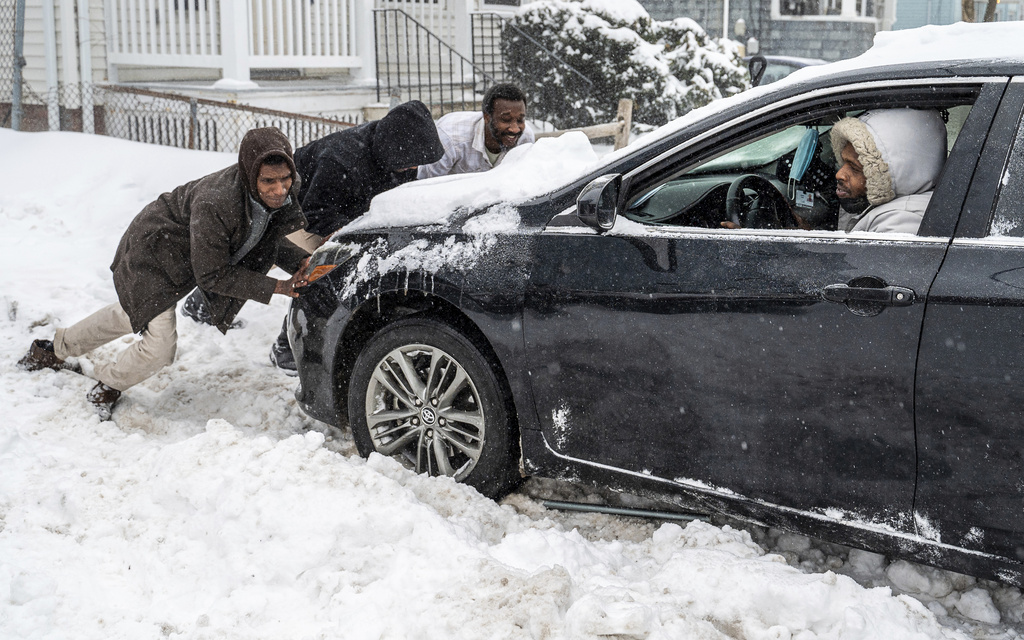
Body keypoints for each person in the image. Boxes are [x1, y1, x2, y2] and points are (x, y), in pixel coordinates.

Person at [18, 127, 311, 420]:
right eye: (268, 181)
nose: (280, 189)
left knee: (131, 312)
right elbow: (213, 275)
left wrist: (300, 260)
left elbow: (264, 234)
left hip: (184, 257)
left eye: (285, 179)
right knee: (160, 347)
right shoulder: (216, 202)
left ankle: (52, 350)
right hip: (154, 253)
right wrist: (278, 287)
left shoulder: (277, 188)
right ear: (249, 173)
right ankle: (106, 385)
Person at [265, 99, 445, 370]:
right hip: (294, 212)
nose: (412, 170)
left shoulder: (398, 154)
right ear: (391, 149)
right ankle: (285, 343)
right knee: (321, 269)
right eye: (408, 164)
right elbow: (315, 212)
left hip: (345, 210)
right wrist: (351, 235)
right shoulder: (341, 160)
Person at [830, 108, 947, 234]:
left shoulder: (898, 225)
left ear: (891, 174)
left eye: (854, 168)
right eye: (843, 162)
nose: (839, 174)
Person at [416, 83, 535, 179]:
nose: (515, 128)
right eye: (506, 119)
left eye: (520, 120)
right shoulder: (451, 139)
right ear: (487, 117)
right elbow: (425, 186)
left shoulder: (525, 138)